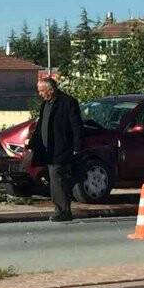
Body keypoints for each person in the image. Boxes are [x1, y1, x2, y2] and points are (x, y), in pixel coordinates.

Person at [28, 77, 83, 222]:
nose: (40, 94)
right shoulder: (45, 104)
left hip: (61, 148)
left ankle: (63, 211)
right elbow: (41, 127)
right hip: (48, 150)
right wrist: (32, 144)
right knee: (53, 179)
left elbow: (77, 127)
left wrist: (77, 147)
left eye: (42, 91)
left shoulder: (68, 102)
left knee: (58, 178)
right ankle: (60, 209)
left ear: (50, 90)